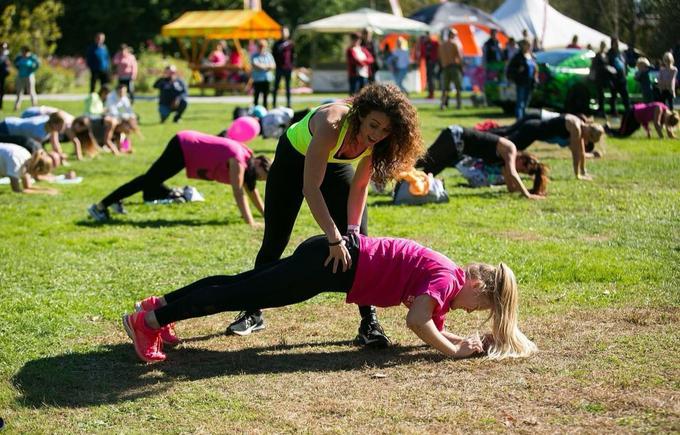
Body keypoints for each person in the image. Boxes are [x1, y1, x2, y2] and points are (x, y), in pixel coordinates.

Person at [121, 232, 538, 363]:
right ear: (479, 288)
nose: (474, 312)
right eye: (481, 308)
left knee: (239, 283)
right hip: (328, 264)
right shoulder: (446, 282)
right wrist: (451, 351)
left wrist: (459, 341)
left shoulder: (447, 274)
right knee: (238, 293)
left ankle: (158, 307)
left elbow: (428, 316)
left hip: (329, 255)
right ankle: (147, 324)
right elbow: (417, 322)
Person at [228, 83, 424, 346]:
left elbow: (360, 185)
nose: (378, 134)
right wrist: (333, 238)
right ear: (360, 116)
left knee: (361, 244)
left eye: (386, 129)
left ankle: (369, 322)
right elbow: (310, 187)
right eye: (374, 125)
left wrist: (351, 231)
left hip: (334, 166)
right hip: (293, 161)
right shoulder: (333, 124)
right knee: (275, 240)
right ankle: (253, 310)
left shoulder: (380, 142)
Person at [88, 124, 270, 224]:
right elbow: (239, 192)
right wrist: (250, 222)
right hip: (184, 146)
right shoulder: (239, 160)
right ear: (260, 163)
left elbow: (250, 190)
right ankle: (101, 206)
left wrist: (266, 215)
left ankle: (112, 202)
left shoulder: (248, 159)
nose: (261, 179)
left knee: (150, 181)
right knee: (148, 180)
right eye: (263, 175)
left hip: (186, 148)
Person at [417, 126, 548, 199]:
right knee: (423, 161)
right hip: (455, 137)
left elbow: (510, 188)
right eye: (524, 165)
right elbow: (513, 174)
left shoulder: (504, 163)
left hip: (457, 150)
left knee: (429, 172)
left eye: (523, 171)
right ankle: (399, 167)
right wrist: (527, 195)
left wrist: (529, 190)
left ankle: (406, 187)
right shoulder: (510, 149)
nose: (520, 169)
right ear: (523, 157)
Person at [488, 114, 605, 180]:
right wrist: (577, 175)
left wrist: (583, 171)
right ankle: (486, 157)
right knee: (507, 148)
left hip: (532, 129)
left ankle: (488, 151)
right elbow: (575, 153)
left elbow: (581, 151)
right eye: (589, 139)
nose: (586, 142)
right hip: (531, 131)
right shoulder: (576, 128)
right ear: (589, 133)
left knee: (506, 142)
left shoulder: (579, 125)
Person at [0, 112, 70, 163]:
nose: (63, 128)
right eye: (62, 125)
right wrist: (52, 158)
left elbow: (55, 143)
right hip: (6, 128)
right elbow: (38, 150)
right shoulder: (39, 130)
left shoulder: (51, 126)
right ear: (55, 124)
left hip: (11, 125)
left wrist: (60, 156)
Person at [604, 101, 678, 139]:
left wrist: (673, 136)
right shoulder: (659, 109)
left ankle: (607, 128)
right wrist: (661, 137)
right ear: (668, 118)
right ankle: (606, 129)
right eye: (667, 122)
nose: (665, 123)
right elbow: (656, 123)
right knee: (622, 134)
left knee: (625, 134)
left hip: (638, 120)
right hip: (631, 113)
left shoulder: (667, 113)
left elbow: (645, 116)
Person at [507, 40, 538, 120]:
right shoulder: (518, 56)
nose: (528, 46)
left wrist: (536, 77)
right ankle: (519, 120)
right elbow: (510, 69)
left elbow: (535, 68)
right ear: (522, 45)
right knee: (520, 103)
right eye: (527, 44)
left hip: (530, 82)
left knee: (526, 103)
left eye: (529, 44)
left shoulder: (532, 56)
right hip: (521, 82)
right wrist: (518, 70)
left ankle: (524, 120)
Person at [438, 29, 463, 110]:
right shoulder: (454, 44)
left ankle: (442, 105)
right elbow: (459, 57)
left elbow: (440, 57)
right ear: (452, 35)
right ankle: (458, 105)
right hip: (454, 67)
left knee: (444, 89)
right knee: (458, 87)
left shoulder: (442, 45)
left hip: (445, 68)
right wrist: (461, 67)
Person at [272, 27, 295, 108]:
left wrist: (292, 66)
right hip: (279, 68)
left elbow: (293, 56)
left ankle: (289, 104)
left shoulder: (291, 44)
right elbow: (273, 55)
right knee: (276, 87)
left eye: (285, 32)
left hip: (288, 68)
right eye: (282, 32)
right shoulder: (277, 44)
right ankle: (274, 104)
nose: (284, 33)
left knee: (288, 88)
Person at [607, 37, 630, 116]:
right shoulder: (609, 54)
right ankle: (613, 112)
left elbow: (625, 64)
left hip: (622, 79)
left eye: (617, 43)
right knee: (613, 97)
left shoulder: (621, 53)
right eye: (615, 43)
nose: (617, 45)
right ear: (612, 44)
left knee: (625, 96)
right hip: (614, 80)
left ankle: (628, 112)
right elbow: (607, 66)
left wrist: (626, 72)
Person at [13, 46, 40, 111]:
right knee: (19, 92)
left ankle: (34, 106)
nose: (22, 52)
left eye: (23, 51)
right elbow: (15, 63)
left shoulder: (31, 57)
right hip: (20, 76)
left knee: (31, 92)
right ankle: (16, 107)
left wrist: (32, 70)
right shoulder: (19, 57)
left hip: (29, 76)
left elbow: (38, 64)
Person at [250, 40, 276, 109]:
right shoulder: (254, 55)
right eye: (260, 46)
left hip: (266, 79)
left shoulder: (268, 55)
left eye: (263, 46)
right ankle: (255, 111)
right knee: (256, 97)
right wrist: (267, 66)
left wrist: (262, 66)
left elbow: (273, 65)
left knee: (265, 97)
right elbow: (255, 65)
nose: (261, 48)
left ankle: (265, 110)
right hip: (257, 79)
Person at [417, 32, 440, 99]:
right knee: (429, 78)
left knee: (431, 78)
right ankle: (431, 93)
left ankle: (432, 94)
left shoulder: (434, 43)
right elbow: (422, 53)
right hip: (428, 63)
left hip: (433, 62)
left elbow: (437, 51)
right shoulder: (424, 44)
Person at [590, 41, 609, 116]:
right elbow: (594, 66)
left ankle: (601, 109)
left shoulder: (605, 55)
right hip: (599, 77)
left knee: (602, 94)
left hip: (604, 78)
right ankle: (600, 110)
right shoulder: (598, 55)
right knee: (600, 94)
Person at [0, 42, 10, 111]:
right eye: (3, 47)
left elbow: (7, 65)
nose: (4, 49)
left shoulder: (5, 56)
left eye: (5, 48)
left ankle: (0, 106)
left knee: (1, 92)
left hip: (2, 76)